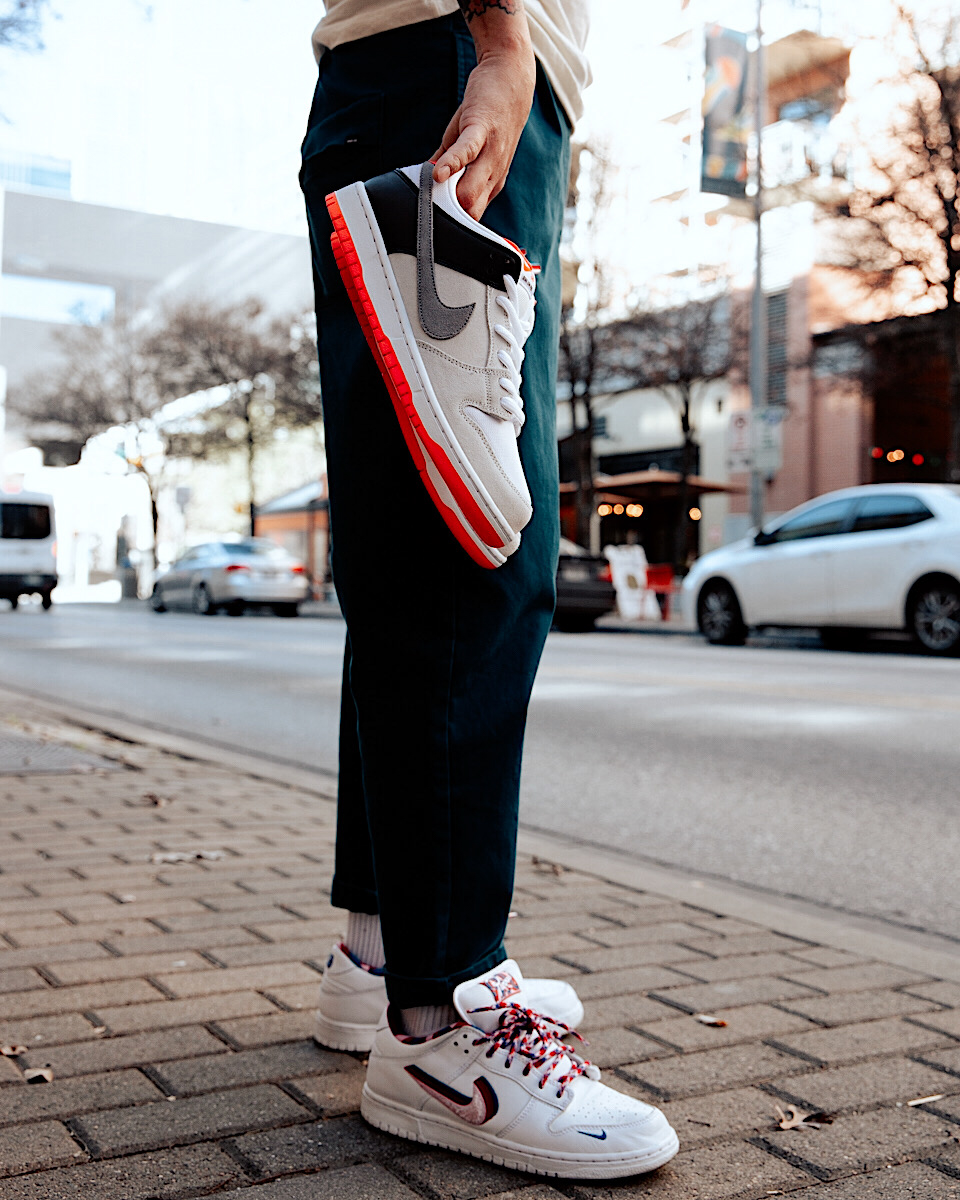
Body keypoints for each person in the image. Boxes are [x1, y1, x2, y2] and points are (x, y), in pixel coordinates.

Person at [301, 0, 679, 1177]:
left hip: (423, 77)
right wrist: (503, 40)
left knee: (416, 538)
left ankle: (383, 961)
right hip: (456, 73)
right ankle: (443, 1025)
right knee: (476, 554)